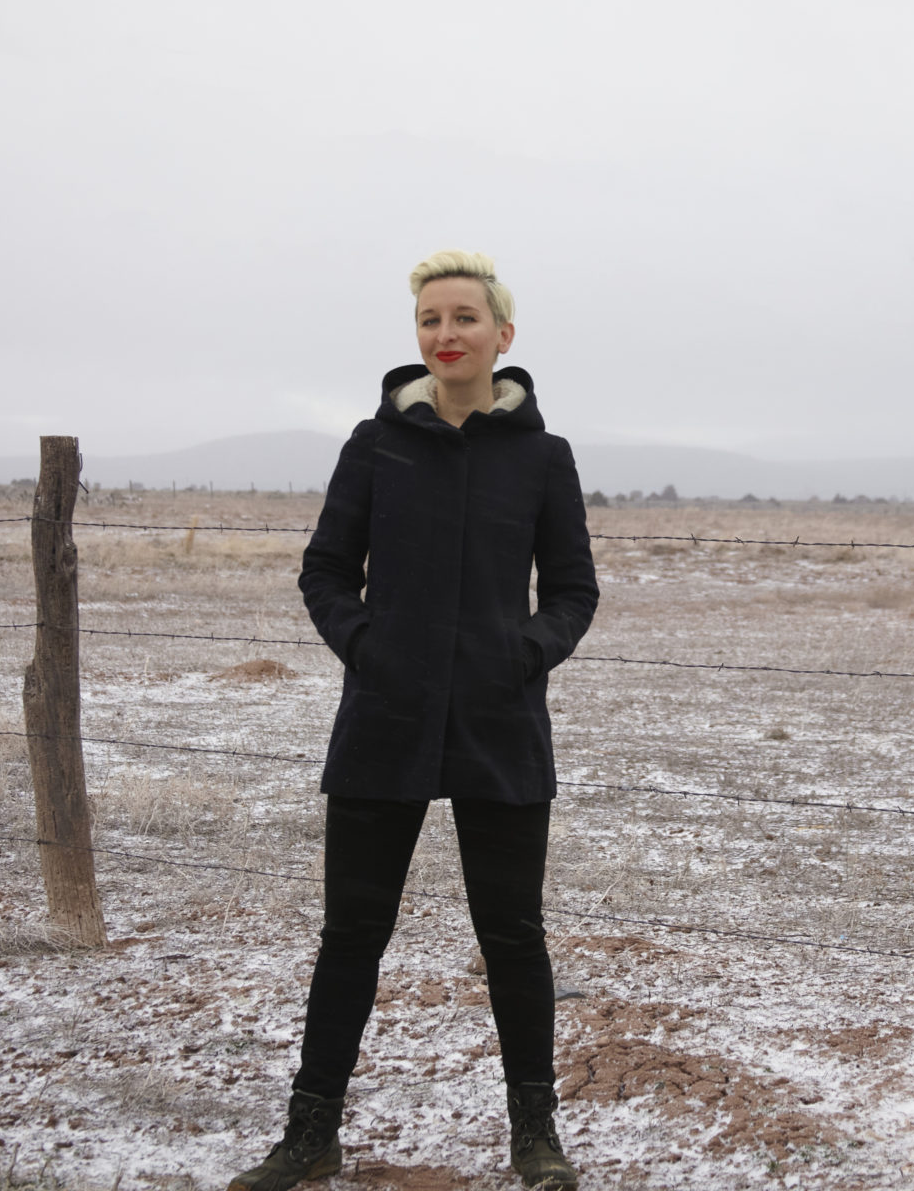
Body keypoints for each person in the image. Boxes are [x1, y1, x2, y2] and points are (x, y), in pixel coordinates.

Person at [231, 251, 600, 1191]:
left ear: (501, 337)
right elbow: (323, 571)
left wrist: (521, 655)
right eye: (431, 319)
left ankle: (536, 1136)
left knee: (512, 935)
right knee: (352, 934)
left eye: (464, 317)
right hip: (384, 720)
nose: (446, 333)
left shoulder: (543, 459)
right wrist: (370, 645)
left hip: (498, 723)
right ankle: (310, 1135)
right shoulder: (374, 446)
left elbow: (571, 591)